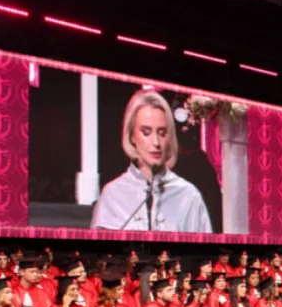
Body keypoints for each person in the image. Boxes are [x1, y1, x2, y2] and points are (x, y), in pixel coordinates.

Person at [90, 90, 212, 232]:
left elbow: (204, 254)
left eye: (162, 133)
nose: (156, 142)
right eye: (146, 132)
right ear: (132, 136)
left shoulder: (189, 196)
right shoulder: (111, 196)